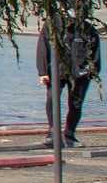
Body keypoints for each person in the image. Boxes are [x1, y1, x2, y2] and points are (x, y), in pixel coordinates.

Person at [35, 15, 102, 148]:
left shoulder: (88, 28)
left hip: (80, 72)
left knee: (76, 103)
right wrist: (42, 72)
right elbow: (43, 48)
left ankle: (69, 134)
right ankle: (53, 133)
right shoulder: (51, 25)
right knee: (52, 99)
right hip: (56, 70)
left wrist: (92, 71)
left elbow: (95, 51)